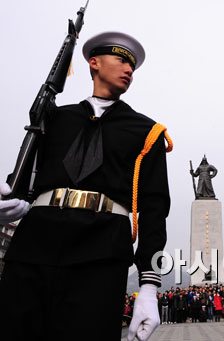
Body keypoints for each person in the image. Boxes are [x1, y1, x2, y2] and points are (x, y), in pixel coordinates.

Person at [0, 32, 172, 341]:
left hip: (101, 252)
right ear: (94, 63)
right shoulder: (54, 119)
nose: (129, 70)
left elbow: (154, 208)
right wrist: (12, 200)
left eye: (132, 66)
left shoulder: (147, 131)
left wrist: (148, 285)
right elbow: (27, 179)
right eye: (121, 60)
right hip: (35, 243)